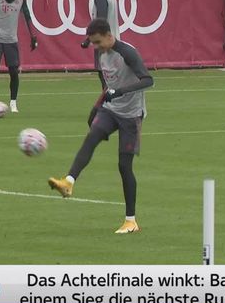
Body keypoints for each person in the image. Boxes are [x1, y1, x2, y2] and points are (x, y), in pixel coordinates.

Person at [49, 18, 153, 234]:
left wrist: (119, 92)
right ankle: (68, 182)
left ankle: (131, 221)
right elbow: (109, 86)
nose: (96, 47)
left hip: (131, 115)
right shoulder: (101, 53)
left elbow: (147, 80)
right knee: (92, 137)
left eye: (98, 42)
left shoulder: (127, 53)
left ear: (108, 35)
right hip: (111, 110)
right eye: (92, 43)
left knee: (124, 166)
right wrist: (96, 108)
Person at [80, 0, 119, 89]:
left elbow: (101, 21)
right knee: (110, 78)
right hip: (111, 41)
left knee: (105, 77)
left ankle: (109, 99)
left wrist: (88, 40)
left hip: (105, 44)